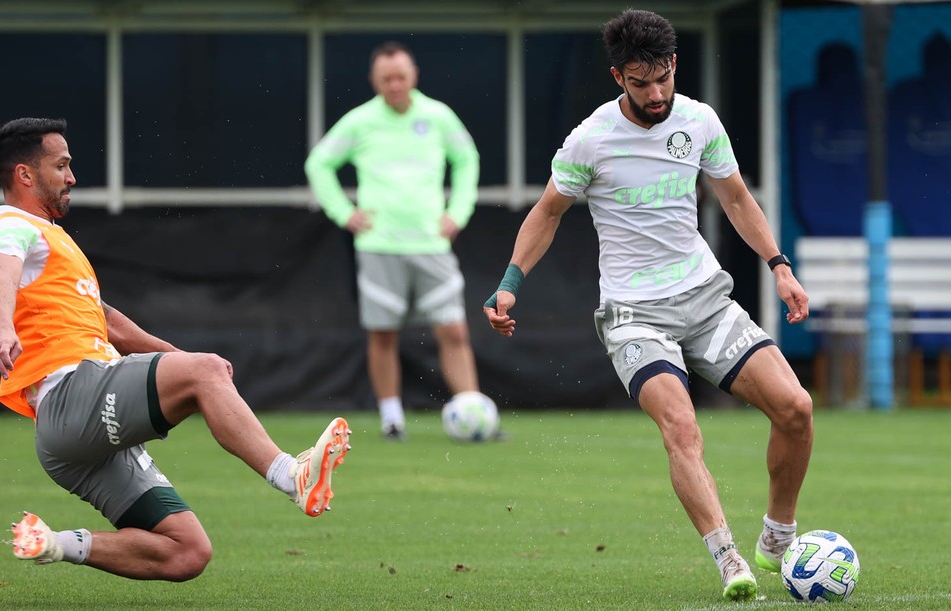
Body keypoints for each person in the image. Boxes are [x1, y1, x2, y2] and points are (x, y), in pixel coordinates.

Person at [483, 10, 813, 602]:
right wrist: (511, 281)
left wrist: (779, 267)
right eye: (640, 82)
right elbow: (547, 213)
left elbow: (736, 198)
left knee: (796, 408)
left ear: (674, 66)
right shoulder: (591, 140)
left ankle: (778, 537)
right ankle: (729, 559)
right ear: (618, 78)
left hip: (706, 302)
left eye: (663, 77)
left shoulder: (699, 121)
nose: (655, 93)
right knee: (681, 427)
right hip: (634, 315)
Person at [0, 117, 352, 581]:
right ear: (25, 175)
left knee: (187, 553)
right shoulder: (8, 229)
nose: (71, 177)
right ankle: (292, 477)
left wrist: (177, 358)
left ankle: (54, 544)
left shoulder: (53, 242)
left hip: (68, 443)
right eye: (62, 165)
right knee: (203, 370)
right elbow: (0, 273)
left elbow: (109, 321)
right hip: (73, 397)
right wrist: (2, 328)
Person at [305, 41, 484, 440]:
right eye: (386, 78)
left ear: (413, 75)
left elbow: (467, 158)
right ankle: (391, 418)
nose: (395, 84)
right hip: (379, 245)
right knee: (382, 333)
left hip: (431, 245)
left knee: (454, 330)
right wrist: (342, 212)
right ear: (375, 81)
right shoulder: (360, 121)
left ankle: (473, 414)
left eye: (401, 76)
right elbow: (318, 163)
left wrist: (458, 212)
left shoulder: (438, 116)